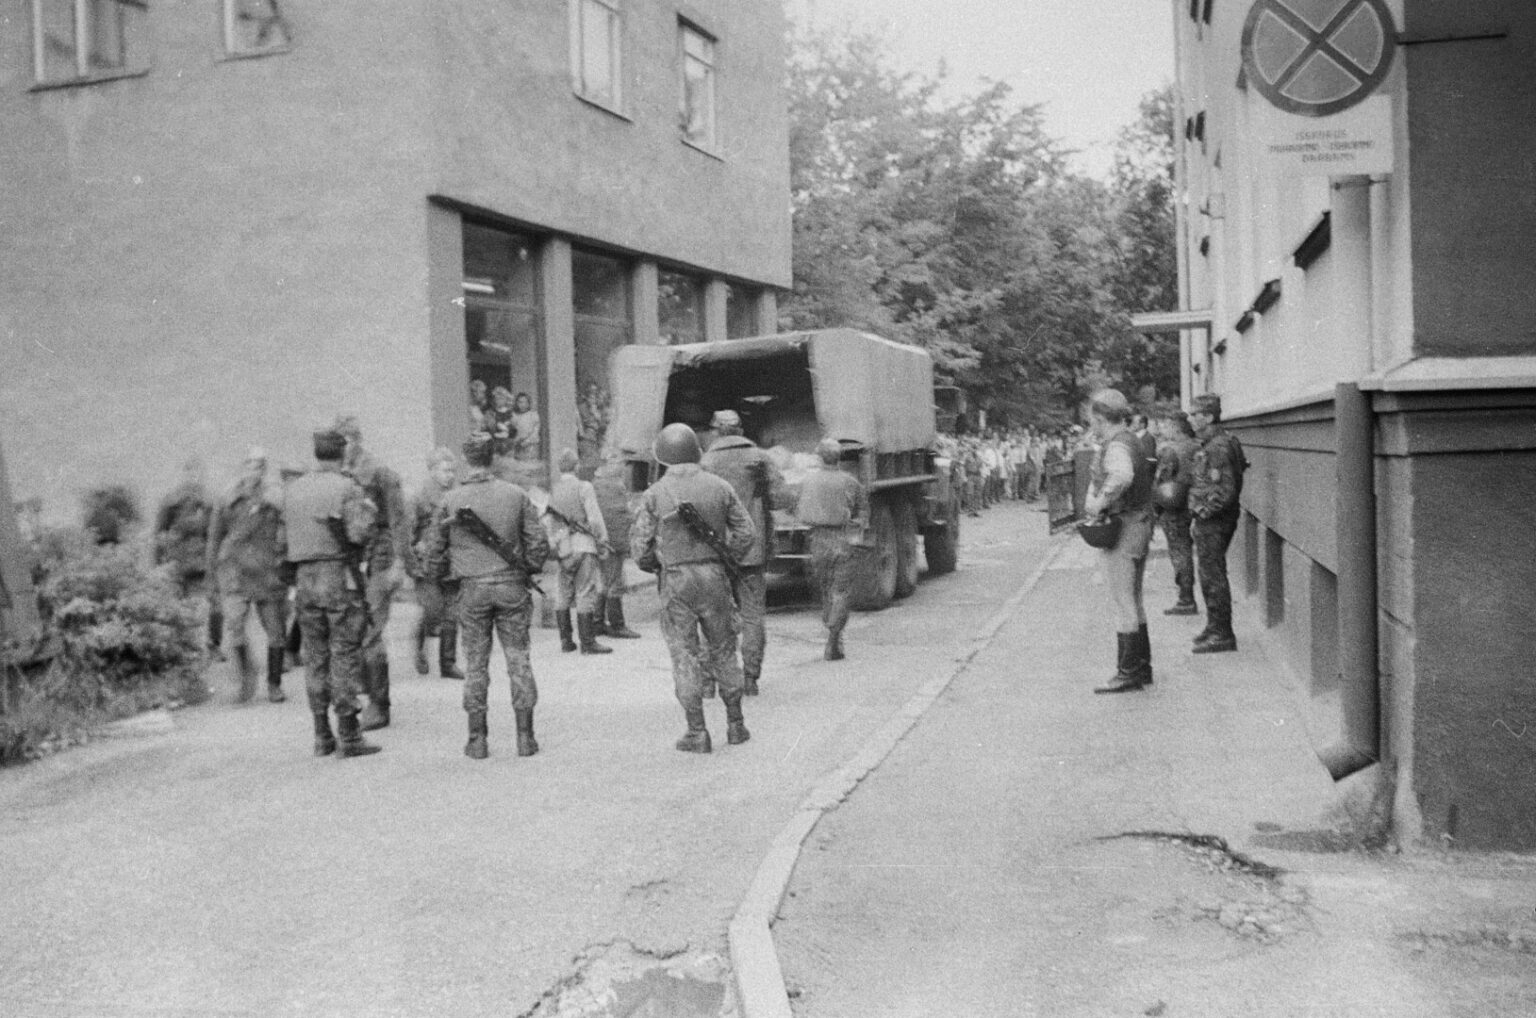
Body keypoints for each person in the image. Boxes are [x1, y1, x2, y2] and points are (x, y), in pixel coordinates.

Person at [630, 422, 754, 753]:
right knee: (724, 650)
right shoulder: (720, 486)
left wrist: (657, 565)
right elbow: (747, 533)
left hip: (676, 580)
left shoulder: (654, 494)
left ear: (664, 457)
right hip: (714, 577)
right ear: (696, 452)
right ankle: (736, 724)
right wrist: (726, 559)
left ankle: (697, 731)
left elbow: (639, 548)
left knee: (685, 655)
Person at [428, 433, 550, 760]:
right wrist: (528, 568)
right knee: (519, 660)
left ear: (467, 458)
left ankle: (477, 739)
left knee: (476, 664)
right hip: (511, 585)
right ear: (492, 456)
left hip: (472, 590)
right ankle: (525, 738)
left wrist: (445, 581)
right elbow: (538, 544)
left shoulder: (450, 500)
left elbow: (435, 552)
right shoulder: (516, 495)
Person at [280, 429, 381, 758]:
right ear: (341, 453)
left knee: (315, 657)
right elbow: (358, 533)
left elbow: (282, 543)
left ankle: (322, 734)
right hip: (338, 576)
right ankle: (349, 735)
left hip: (304, 579)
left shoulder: (293, 490)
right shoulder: (347, 486)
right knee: (344, 655)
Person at [700, 408, 790, 696]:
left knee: (713, 616)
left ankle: (712, 680)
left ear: (716, 431)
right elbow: (781, 499)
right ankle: (751, 677)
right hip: (752, 551)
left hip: (715, 553)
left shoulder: (705, 463)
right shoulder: (761, 459)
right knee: (753, 615)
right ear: (740, 431)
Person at [334, 415, 410, 730]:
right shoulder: (340, 475)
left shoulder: (380, 473)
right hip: (352, 560)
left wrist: (399, 564)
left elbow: (399, 521)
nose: (342, 449)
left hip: (380, 558)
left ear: (357, 439)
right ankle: (367, 692)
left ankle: (379, 705)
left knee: (371, 631)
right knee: (354, 629)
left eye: (346, 441)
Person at [1083, 389, 1156, 694]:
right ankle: (1142, 667)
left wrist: (1099, 502)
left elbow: (1121, 476)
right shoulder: (1132, 440)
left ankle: (1127, 673)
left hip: (1124, 525)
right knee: (1134, 598)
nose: (1092, 426)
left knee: (1123, 600)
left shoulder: (1116, 445)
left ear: (1100, 418)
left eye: (1093, 420)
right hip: (1140, 523)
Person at [206, 447, 288, 703]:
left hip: (266, 572)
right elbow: (214, 537)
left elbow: (286, 531)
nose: (256, 470)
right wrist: (211, 574)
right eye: (251, 464)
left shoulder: (275, 498)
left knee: (276, 631)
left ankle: (274, 684)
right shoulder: (228, 498)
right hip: (235, 571)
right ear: (243, 467)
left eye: (260, 465)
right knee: (235, 627)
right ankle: (245, 677)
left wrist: (284, 563)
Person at [795, 438, 868, 662]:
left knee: (825, 589)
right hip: (842, 539)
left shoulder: (808, 481)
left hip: (817, 540)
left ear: (819, 456)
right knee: (841, 590)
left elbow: (798, 508)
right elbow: (862, 510)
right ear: (839, 457)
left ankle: (832, 629)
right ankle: (835, 634)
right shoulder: (850, 482)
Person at [1188, 394, 1246, 654]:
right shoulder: (1215, 443)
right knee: (1209, 574)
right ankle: (1215, 626)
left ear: (1208, 417)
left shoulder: (1218, 447)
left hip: (1215, 521)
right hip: (1214, 520)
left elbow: (1225, 489)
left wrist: (1202, 513)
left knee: (1213, 575)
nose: (1190, 418)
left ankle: (1222, 633)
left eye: (1195, 414)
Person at [546, 447, 612, 655]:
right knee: (585, 590)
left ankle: (566, 641)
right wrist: (602, 540)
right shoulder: (584, 487)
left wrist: (555, 545)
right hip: (583, 544)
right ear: (577, 466)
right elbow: (593, 518)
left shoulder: (553, 490)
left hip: (563, 546)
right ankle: (588, 641)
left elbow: (550, 522)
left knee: (563, 592)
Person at [155, 458, 222, 659]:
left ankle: (214, 644)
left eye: (197, 474)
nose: (193, 478)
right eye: (189, 474)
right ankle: (179, 646)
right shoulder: (172, 502)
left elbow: (217, 532)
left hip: (204, 560)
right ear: (184, 475)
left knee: (215, 604)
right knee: (176, 605)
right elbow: (160, 531)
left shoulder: (209, 502)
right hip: (179, 561)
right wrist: (158, 562)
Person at [409, 447, 463, 679]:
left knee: (452, 612)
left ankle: (448, 664)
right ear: (432, 471)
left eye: (452, 471)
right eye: (444, 470)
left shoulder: (458, 495)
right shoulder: (419, 496)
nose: (449, 475)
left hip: (452, 560)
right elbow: (408, 530)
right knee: (432, 611)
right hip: (427, 562)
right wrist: (414, 549)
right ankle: (419, 646)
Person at [1152, 407, 1200, 617]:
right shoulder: (1196, 446)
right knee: (1186, 549)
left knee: (1179, 552)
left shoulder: (1171, 451)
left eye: (1167, 425)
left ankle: (1186, 598)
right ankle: (1187, 596)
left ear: (1176, 427)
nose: (1164, 430)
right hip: (1193, 503)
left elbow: (1162, 480)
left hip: (1173, 507)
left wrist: (1155, 508)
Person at [591, 450, 642, 641]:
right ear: (612, 464)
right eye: (620, 462)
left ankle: (597, 622)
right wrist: (634, 514)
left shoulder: (596, 484)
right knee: (615, 583)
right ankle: (617, 624)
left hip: (602, 540)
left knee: (603, 581)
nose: (624, 466)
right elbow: (620, 514)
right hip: (616, 540)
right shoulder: (616, 486)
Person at [511, 391, 541, 461]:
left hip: (531, 446)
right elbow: (513, 431)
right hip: (518, 447)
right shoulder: (514, 416)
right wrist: (516, 442)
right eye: (520, 402)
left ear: (528, 403)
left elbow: (535, 432)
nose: (522, 405)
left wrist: (527, 442)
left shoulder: (533, 415)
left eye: (525, 402)